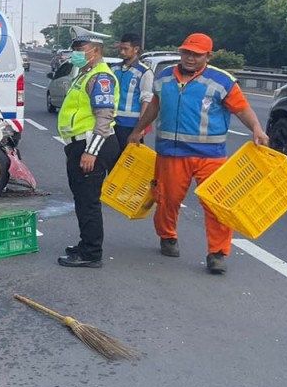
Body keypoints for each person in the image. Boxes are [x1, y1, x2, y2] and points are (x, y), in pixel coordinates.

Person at [127, 33, 269, 274]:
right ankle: (167, 236)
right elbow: (154, 106)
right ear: (180, 52)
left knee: (217, 205)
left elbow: (242, 109)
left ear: (208, 56)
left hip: (210, 156)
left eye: (196, 54)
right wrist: (138, 130)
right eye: (186, 52)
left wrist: (256, 128)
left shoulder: (221, 81)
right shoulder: (164, 77)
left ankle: (217, 253)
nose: (190, 58)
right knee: (167, 200)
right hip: (171, 154)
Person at [56, 30, 120, 268]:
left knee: (88, 200)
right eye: (74, 49)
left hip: (92, 144)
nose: (76, 54)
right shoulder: (86, 73)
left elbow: (104, 117)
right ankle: (86, 245)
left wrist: (91, 152)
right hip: (80, 143)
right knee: (82, 199)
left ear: (96, 50)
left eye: (80, 50)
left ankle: (91, 253)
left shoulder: (101, 77)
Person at [113, 32, 154, 151]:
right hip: (112, 123)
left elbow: (146, 100)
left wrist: (141, 128)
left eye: (126, 49)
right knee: (112, 161)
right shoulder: (114, 68)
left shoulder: (144, 72)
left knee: (128, 161)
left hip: (131, 124)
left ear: (136, 49)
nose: (122, 52)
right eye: (121, 48)